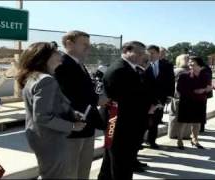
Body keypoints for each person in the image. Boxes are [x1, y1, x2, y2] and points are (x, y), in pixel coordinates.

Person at [17, 42, 86, 179]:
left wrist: (71, 113)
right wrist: (72, 126)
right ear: (45, 57)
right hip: (50, 138)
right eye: (56, 52)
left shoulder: (35, 77)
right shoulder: (46, 80)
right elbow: (42, 116)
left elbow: (49, 106)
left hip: (41, 136)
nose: (60, 54)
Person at [54, 30, 104, 179]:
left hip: (86, 126)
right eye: (84, 44)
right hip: (72, 128)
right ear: (69, 44)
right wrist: (96, 100)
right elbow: (65, 97)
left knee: (83, 170)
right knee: (70, 172)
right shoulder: (61, 65)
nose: (88, 48)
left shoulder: (79, 65)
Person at [100, 41, 153, 179]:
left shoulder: (132, 68)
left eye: (143, 53)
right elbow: (125, 99)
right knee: (121, 162)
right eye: (139, 53)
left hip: (122, 122)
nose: (142, 56)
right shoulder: (120, 70)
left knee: (111, 160)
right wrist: (147, 106)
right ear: (126, 50)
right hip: (120, 123)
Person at [176, 56, 212, 149]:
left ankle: (195, 139)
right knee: (183, 122)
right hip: (186, 102)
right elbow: (179, 89)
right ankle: (179, 140)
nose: (190, 64)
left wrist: (205, 90)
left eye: (193, 62)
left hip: (200, 102)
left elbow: (208, 88)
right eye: (190, 62)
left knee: (197, 122)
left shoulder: (205, 76)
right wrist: (194, 91)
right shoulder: (183, 76)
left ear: (199, 65)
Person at [144, 45, 175, 149]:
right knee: (143, 121)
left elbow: (171, 81)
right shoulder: (142, 64)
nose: (150, 55)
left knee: (155, 121)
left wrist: (170, 96)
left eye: (152, 53)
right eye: (148, 53)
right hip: (145, 99)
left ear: (158, 54)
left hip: (160, 99)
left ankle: (151, 141)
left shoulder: (167, 65)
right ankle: (138, 142)